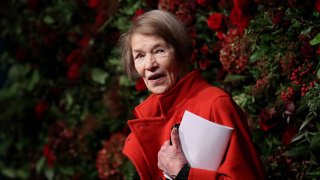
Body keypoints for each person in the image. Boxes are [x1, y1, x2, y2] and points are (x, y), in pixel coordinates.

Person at [119, 9, 265, 180]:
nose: (149, 64)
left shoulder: (215, 104)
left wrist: (184, 174)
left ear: (180, 52)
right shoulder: (149, 114)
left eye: (159, 51)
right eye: (140, 56)